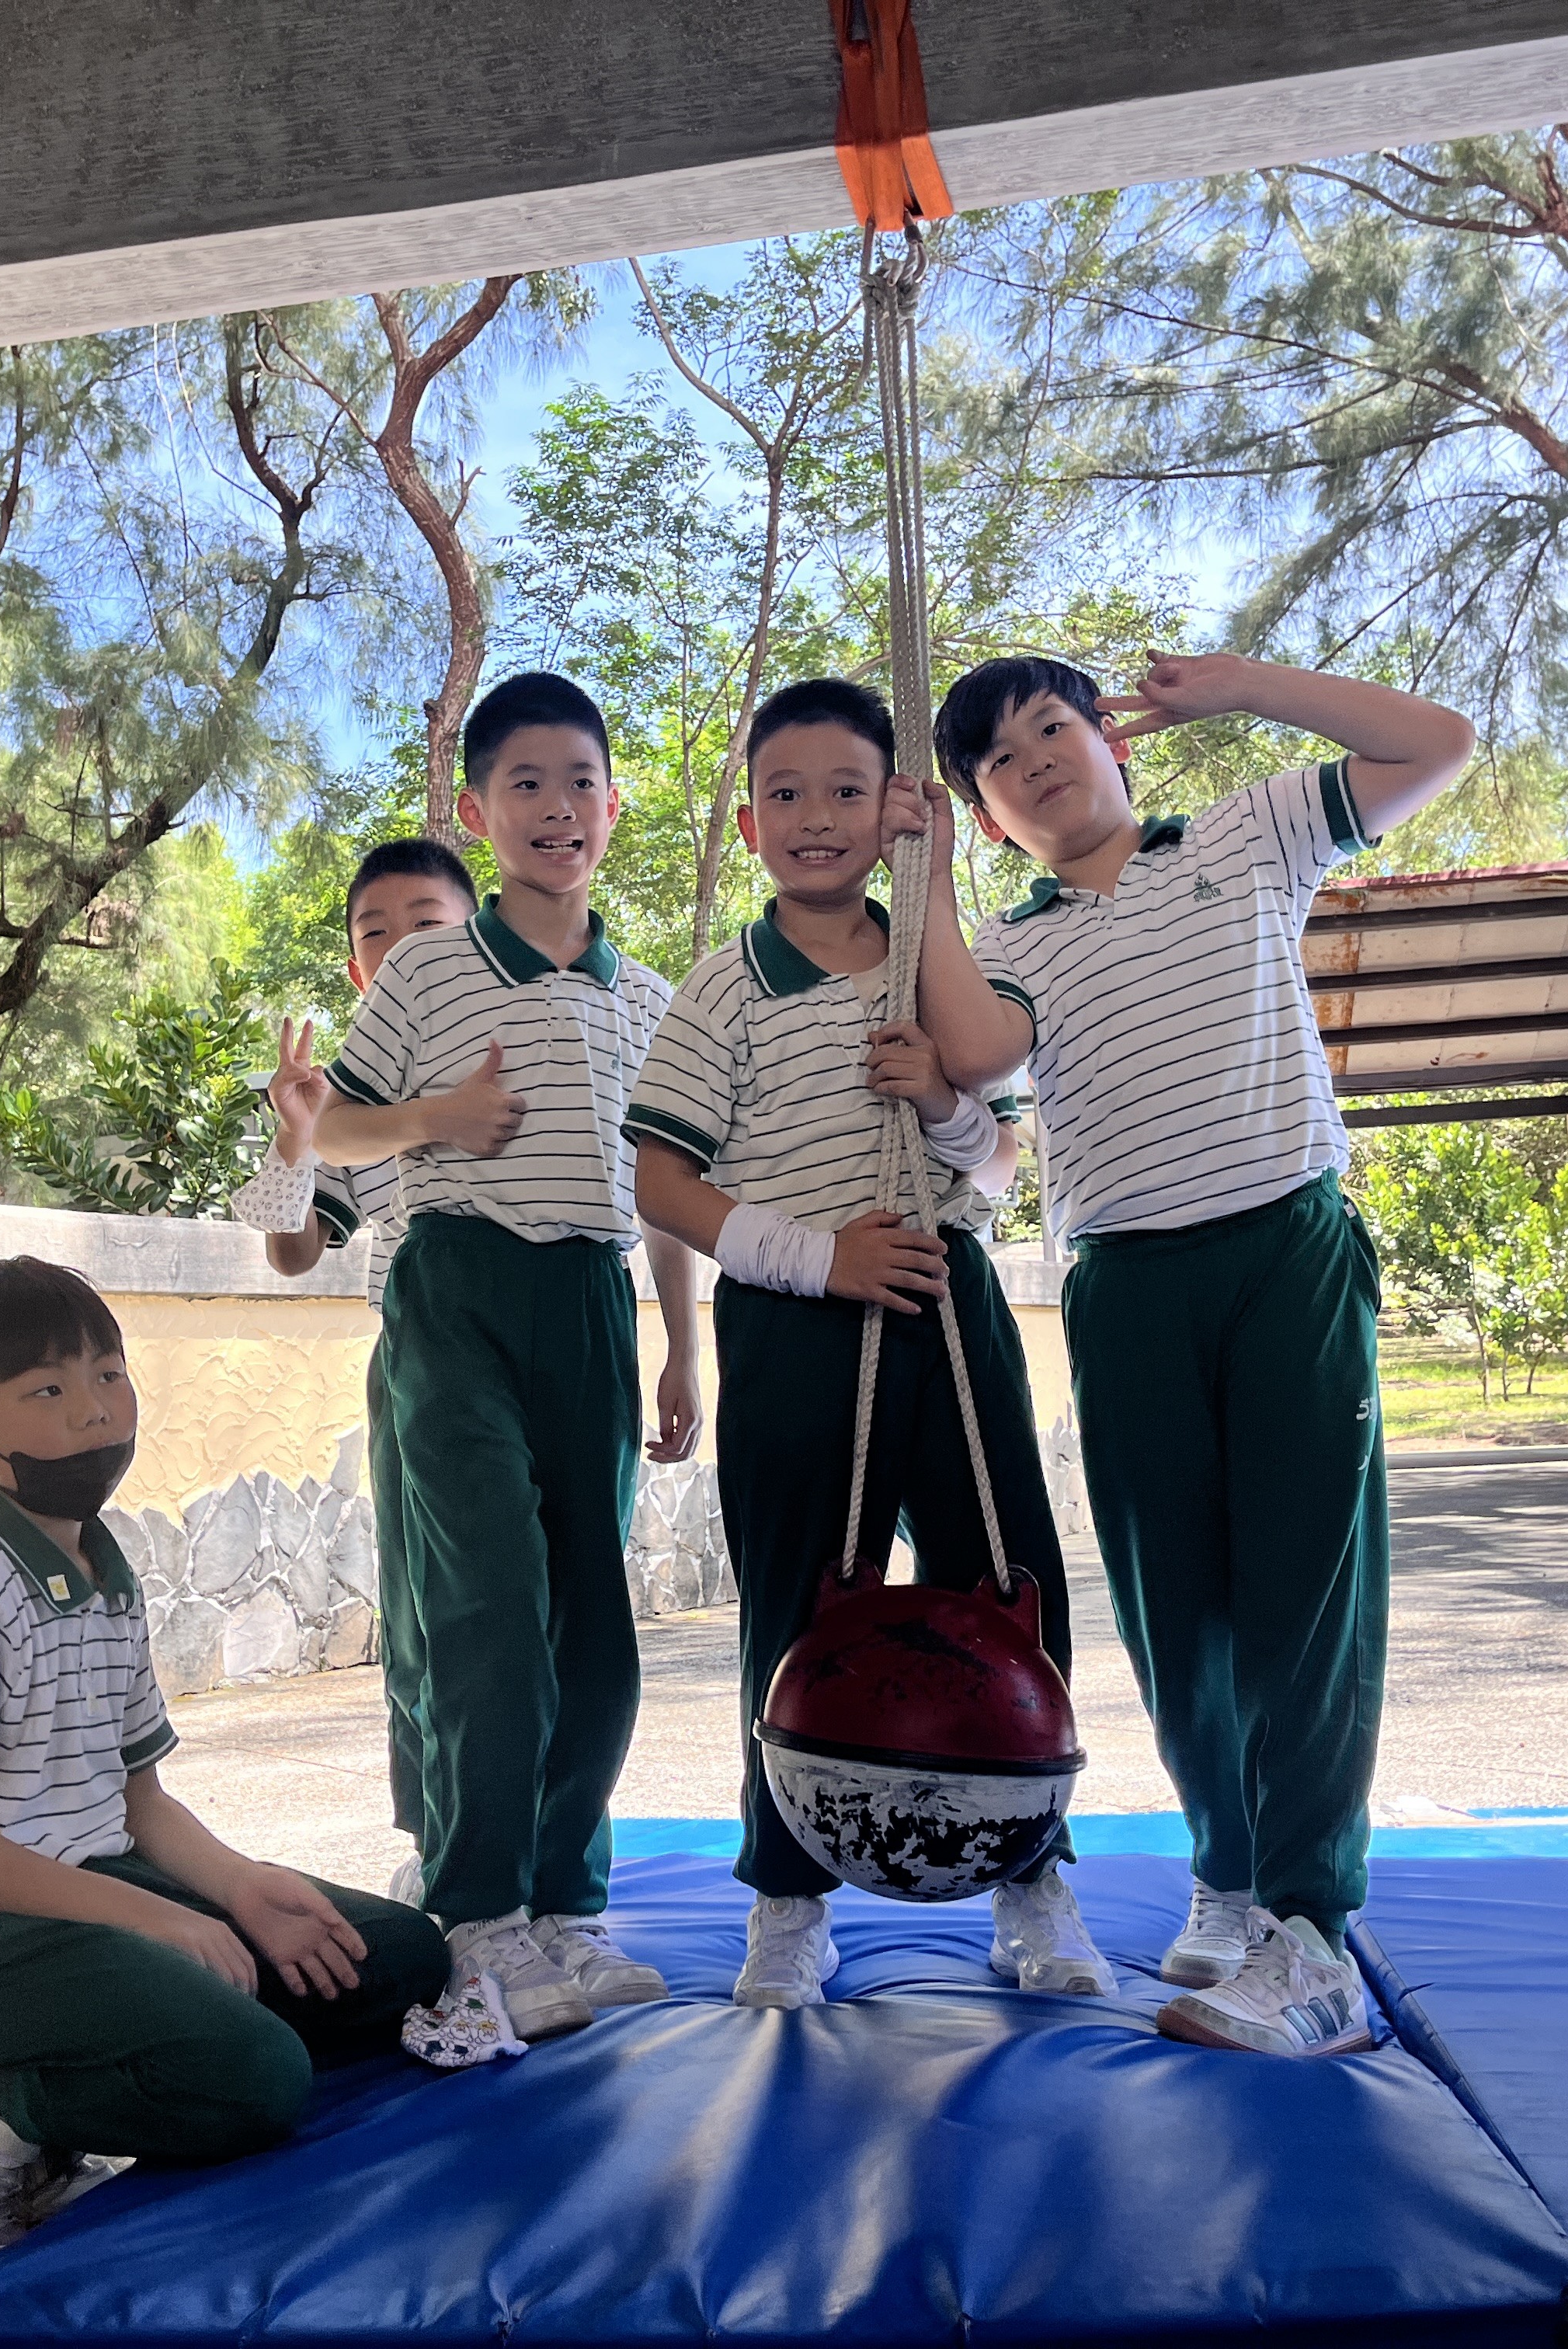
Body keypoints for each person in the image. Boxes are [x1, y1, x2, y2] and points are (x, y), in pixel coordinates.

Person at [906, 649, 1474, 2058]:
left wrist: (1242, 689)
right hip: (1129, 1286)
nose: (1038, 760)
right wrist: (928, 884)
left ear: (1115, 741)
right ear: (988, 817)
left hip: (1287, 1253)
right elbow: (971, 1054)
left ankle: (1311, 1932)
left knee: (1307, 1602)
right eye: (1000, 762)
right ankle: (1230, 1871)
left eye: (1056, 727)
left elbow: (1438, 740)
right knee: (1180, 1617)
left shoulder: (1248, 835)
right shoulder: (1016, 944)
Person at [623, 677, 1102, 2011]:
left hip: (946, 1306)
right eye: (786, 794)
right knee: (795, 1604)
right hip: (795, 1324)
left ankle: (1031, 1876)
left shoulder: (938, 962)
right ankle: (789, 1898)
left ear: (894, 807)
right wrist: (818, 1258)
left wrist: (944, 1104)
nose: (818, 817)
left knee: (1007, 1581)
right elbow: (660, 1181)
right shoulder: (728, 985)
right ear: (749, 820)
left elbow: (998, 1167)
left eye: (847, 790)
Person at [0, 1256, 452, 2281]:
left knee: (393, 1961)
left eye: (108, 1374)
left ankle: (164, 2036)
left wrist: (243, 1889)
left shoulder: (104, 1568)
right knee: (253, 2080)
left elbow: (139, 1796)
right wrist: (159, 1922)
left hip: (97, 1886)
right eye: (47, 1389)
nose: (95, 1409)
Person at [311, 671, 706, 2043]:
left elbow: (668, 1194)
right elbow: (334, 1131)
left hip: (592, 1305)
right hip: (458, 1296)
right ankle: (480, 1916)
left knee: (594, 1628)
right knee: (487, 1609)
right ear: (478, 815)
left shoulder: (650, 998)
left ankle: (566, 1911)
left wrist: (682, 1348)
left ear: (614, 803)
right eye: (523, 783)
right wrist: (438, 1116)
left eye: (577, 780)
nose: (556, 806)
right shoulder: (425, 970)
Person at [227, 836, 482, 1903]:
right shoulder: (353, 1107)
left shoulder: (544, 1047)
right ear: (354, 968)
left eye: (426, 924)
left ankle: (553, 1851)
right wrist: (298, 1137)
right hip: (422, 1372)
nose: (400, 947)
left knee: (559, 1614)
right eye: (376, 933)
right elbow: (293, 1253)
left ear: (477, 934)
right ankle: (440, 1839)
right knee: (425, 1614)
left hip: (559, 1350)